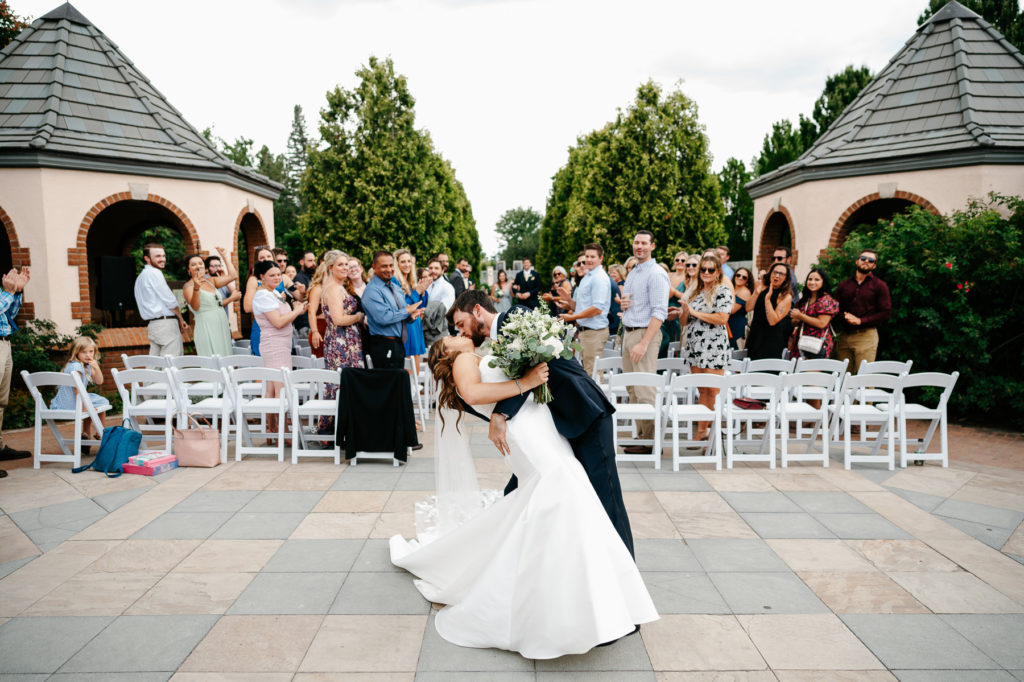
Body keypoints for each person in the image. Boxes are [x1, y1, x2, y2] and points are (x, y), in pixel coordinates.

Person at [390, 332, 657, 659]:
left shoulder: (479, 354)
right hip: (524, 432)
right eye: (450, 336)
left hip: (538, 425)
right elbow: (472, 393)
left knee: (564, 497)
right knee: (560, 492)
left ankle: (586, 599)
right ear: (444, 353)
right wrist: (526, 382)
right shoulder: (462, 360)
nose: (457, 333)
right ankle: (560, 609)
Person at [448, 290, 635, 553]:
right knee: (518, 494)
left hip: (585, 412)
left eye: (461, 324)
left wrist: (501, 414)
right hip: (555, 427)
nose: (462, 332)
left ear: (477, 310)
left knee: (607, 499)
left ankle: (627, 573)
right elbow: (522, 380)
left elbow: (533, 370)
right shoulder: (497, 343)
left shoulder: (517, 315)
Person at [619, 230, 669, 455]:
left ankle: (652, 441)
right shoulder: (634, 272)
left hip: (644, 335)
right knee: (632, 389)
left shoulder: (656, 274)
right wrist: (624, 306)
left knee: (645, 389)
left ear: (653, 246)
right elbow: (634, 303)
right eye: (636, 242)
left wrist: (644, 343)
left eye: (643, 243)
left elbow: (660, 312)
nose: (639, 246)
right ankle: (641, 437)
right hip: (629, 332)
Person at [679, 253, 733, 440]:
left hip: (714, 346)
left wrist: (694, 312)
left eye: (711, 269)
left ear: (718, 272)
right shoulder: (695, 292)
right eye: (703, 269)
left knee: (713, 390)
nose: (706, 272)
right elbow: (685, 321)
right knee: (701, 389)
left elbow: (722, 318)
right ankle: (703, 431)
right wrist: (685, 312)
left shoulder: (723, 290)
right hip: (695, 346)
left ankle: (708, 431)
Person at [252, 261, 307, 412]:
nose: (277, 278)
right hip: (274, 346)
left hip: (281, 344)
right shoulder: (263, 295)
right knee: (281, 390)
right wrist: (296, 311)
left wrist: (298, 309)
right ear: (262, 277)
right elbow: (278, 322)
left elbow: (285, 315)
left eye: (278, 274)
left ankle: (272, 430)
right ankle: (284, 432)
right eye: (272, 275)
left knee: (271, 390)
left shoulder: (274, 293)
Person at [319, 250, 365, 432]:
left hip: (343, 340)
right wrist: (358, 317)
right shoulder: (334, 289)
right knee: (343, 383)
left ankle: (343, 428)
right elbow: (338, 319)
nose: (345, 268)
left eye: (346, 264)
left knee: (341, 383)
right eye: (340, 264)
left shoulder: (337, 286)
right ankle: (339, 429)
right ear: (330, 267)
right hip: (342, 343)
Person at [362, 251, 424, 369]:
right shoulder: (372, 291)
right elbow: (383, 318)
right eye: (384, 266)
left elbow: (399, 315)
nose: (389, 269)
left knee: (397, 385)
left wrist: (411, 316)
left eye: (391, 265)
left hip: (398, 344)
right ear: (374, 267)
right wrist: (407, 311)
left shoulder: (395, 288)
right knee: (386, 385)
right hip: (383, 345)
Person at [559, 243, 611, 377]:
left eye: (592, 256)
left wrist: (571, 317)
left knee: (593, 374)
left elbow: (597, 309)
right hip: (585, 332)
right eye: (587, 256)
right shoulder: (588, 277)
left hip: (594, 333)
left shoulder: (599, 277)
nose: (588, 259)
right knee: (587, 372)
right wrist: (569, 301)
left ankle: (596, 399)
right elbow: (583, 307)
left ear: (601, 258)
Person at [834, 249, 891, 371]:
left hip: (866, 336)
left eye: (870, 260)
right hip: (844, 336)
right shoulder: (844, 285)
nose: (866, 261)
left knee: (863, 379)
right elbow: (835, 308)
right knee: (843, 377)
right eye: (863, 258)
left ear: (874, 265)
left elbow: (885, 313)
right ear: (857, 261)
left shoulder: (880, 285)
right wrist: (843, 316)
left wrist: (861, 321)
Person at [49, 336, 110, 443]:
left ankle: (86, 433)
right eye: (84, 352)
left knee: (97, 400)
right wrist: (84, 409)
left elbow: (99, 381)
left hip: (66, 402)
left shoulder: (85, 365)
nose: (88, 355)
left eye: (91, 351)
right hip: (71, 403)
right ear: (76, 352)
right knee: (96, 402)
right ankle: (102, 433)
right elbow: (77, 390)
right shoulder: (76, 367)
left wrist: (96, 367)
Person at [133, 243, 187, 357]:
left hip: (154, 325)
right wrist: (181, 319)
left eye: (163, 256)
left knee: (155, 366)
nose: (162, 259)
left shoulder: (140, 277)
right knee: (172, 364)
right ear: (147, 258)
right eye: (158, 256)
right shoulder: (155, 273)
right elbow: (170, 301)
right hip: (166, 325)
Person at [0, 266, 31, 463]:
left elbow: (8, 313)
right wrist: (9, 292)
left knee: (1, 402)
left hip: (5, 342)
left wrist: (17, 291)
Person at [183, 247, 236, 357]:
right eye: (193, 265)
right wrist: (196, 288)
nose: (198, 266)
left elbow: (233, 276)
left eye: (200, 263)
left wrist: (225, 256)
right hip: (206, 326)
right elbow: (196, 307)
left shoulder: (211, 281)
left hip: (221, 324)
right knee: (212, 361)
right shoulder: (188, 286)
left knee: (226, 358)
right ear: (188, 270)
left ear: (204, 266)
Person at [745, 261, 794, 360]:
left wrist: (767, 300)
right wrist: (757, 292)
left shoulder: (786, 296)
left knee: (768, 372)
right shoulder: (760, 285)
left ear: (786, 278)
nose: (777, 276)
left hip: (772, 340)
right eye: (774, 272)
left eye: (781, 274)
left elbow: (773, 321)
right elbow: (748, 308)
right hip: (755, 335)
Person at [789, 268, 840, 359]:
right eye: (810, 279)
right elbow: (795, 321)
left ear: (823, 282)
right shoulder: (805, 299)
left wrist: (801, 316)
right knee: (798, 372)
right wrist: (796, 319)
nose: (812, 282)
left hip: (817, 344)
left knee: (811, 372)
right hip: (801, 342)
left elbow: (821, 323)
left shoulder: (826, 300)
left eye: (817, 280)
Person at [394, 248, 428, 372]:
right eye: (403, 262)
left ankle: (414, 390)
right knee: (409, 367)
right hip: (406, 326)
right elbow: (404, 307)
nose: (407, 264)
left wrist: (423, 292)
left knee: (416, 365)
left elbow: (422, 304)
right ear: (396, 264)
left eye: (409, 261)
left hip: (416, 324)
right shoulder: (394, 281)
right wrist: (417, 292)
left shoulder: (412, 280)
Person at [307, 250, 344, 359]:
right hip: (320, 328)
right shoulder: (317, 288)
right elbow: (311, 311)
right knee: (322, 365)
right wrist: (315, 331)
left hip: (333, 328)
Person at [243, 246, 276, 356]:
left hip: (282, 327)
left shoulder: (283, 278)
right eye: (262, 257)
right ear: (257, 261)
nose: (266, 259)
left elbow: (299, 296)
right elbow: (247, 307)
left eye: (268, 256)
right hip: (263, 328)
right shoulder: (254, 280)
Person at [204, 254, 240, 321]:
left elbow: (237, 297)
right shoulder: (205, 281)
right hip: (211, 322)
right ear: (206, 269)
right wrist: (231, 298)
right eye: (214, 266)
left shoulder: (221, 280)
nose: (218, 268)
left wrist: (226, 281)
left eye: (219, 266)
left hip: (224, 321)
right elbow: (215, 305)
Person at [729, 267, 754, 350]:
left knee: (735, 353)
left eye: (744, 277)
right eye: (738, 275)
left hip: (737, 327)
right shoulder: (732, 288)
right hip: (728, 325)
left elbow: (731, 310)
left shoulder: (745, 292)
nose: (740, 278)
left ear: (747, 281)